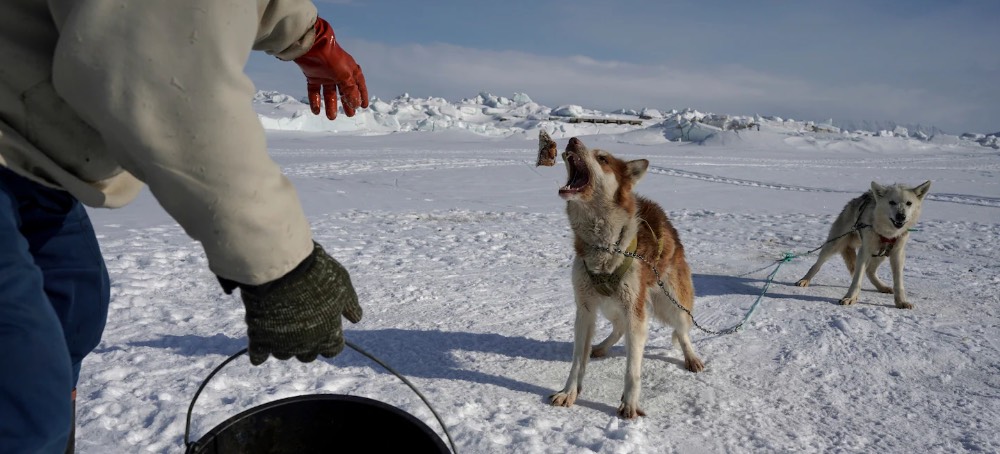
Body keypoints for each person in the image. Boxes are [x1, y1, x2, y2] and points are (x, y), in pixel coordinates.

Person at [0, 1, 369, 452]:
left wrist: (312, 40)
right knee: (24, 401)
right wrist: (283, 269)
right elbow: (161, 72)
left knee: (71, 313)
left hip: (28, 163)